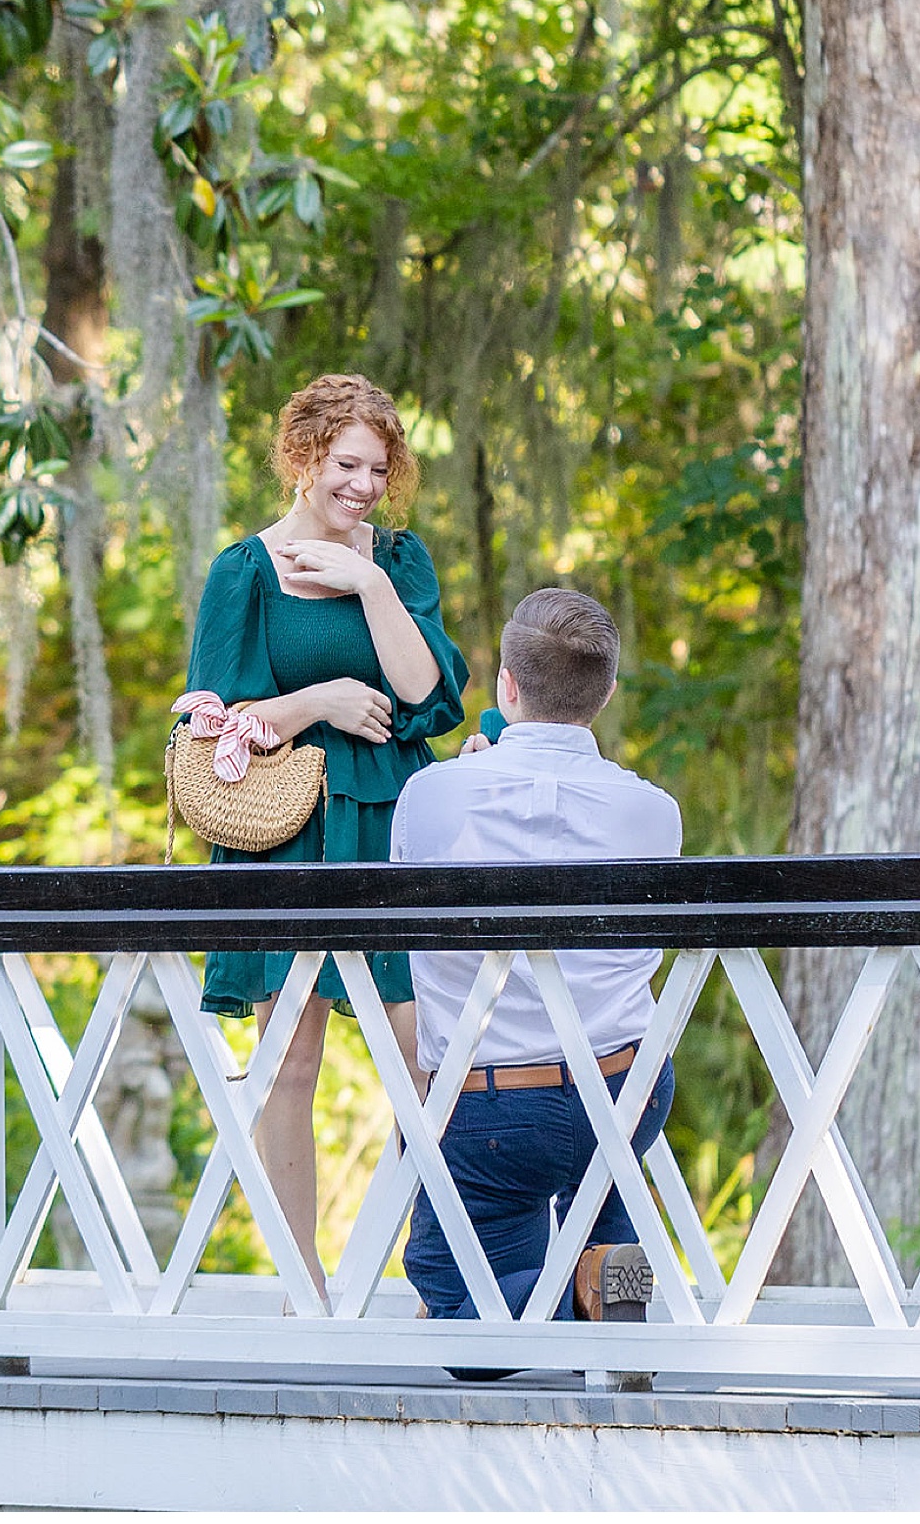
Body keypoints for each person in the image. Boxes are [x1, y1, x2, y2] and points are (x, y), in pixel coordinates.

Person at [181, 373, 468, 1301]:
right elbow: (207, 728)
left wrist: (370, 583)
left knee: (430, 1055)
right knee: (289, 1060)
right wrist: (318, 704)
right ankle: (305, 1283)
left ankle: (436, 1267)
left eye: (380, 468)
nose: (365, 485)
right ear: (302, 457)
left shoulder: (400, 561)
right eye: (348, 464)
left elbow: (429, 700)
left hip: (391, 821)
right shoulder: (246, 572)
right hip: (287, 830)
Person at [389, 587, 681, 1336]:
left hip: (492, 1108)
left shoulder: (430, 798)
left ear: (505, 687)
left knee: (461, 1310)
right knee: (602, 1167)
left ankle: (580, 1295)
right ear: (606, 693)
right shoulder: (652, 811)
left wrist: (464, 775)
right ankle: (605, 1270)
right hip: (623, 1093)